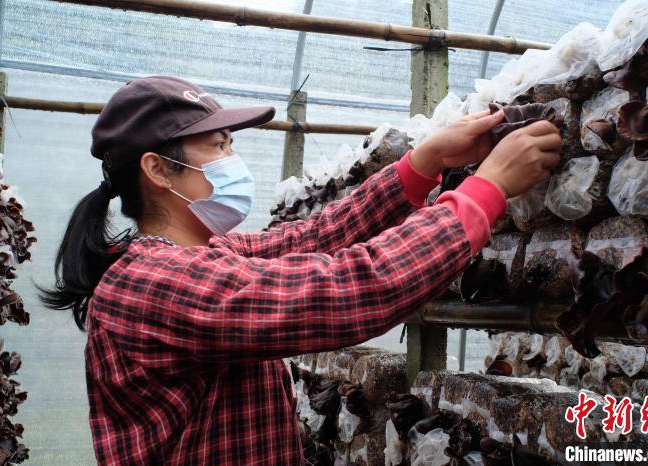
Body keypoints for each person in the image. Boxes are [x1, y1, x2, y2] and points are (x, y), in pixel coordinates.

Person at [40, 75, 561, 465]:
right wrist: (482, 193)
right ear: (156, 169)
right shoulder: (151, 285)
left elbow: (312, 238)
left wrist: (420, 165)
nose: (232, 158)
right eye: (218, 147)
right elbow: (342, 293)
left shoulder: (207, 256)